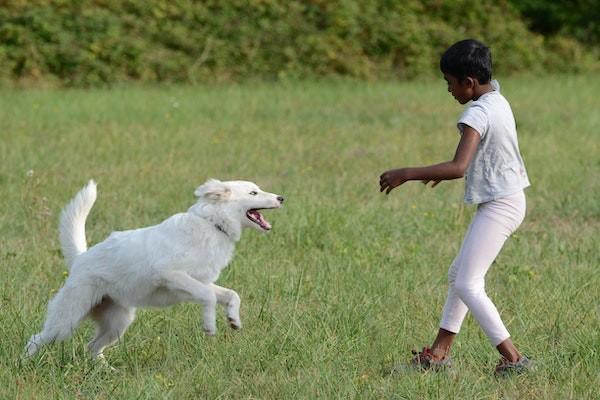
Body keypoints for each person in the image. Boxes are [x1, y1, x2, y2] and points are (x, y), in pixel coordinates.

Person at [379, 39, 532, 375]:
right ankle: (438, 354)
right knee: (458, 276)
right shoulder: (497, 97)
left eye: (449, 82)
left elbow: (458, 166)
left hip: (501, 205)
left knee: (467, 283)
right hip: (507, 199)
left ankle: (514, 359)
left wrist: (408, 173)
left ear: (469, 83)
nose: (448, 89)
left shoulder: (477, 112)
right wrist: (437, 175)